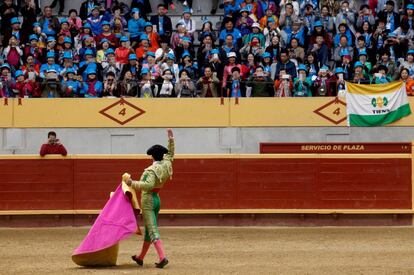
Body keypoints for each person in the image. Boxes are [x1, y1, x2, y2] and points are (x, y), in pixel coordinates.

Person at [126, 129, 174, 269]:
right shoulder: (166, 164)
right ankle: (140, 257)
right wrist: (171, 139)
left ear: (152, 156)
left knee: (152, 230)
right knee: (149, 229)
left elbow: (148, 185)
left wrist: (132, 183)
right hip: (157, 199)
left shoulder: (151, 170)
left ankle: (162, 257)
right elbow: (170, 154)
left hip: (148, 200)